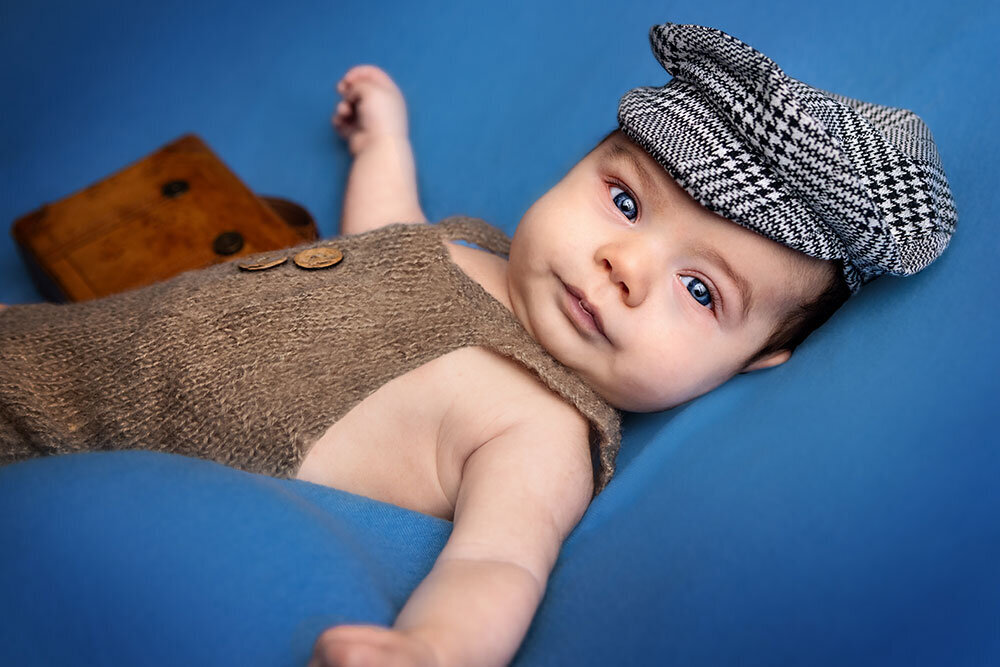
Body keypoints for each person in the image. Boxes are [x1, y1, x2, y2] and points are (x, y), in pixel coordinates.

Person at [0, 22, 956, 667]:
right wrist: (385, 143)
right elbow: (385, 239)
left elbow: (498, 564)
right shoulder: (476, 243)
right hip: (51, 348)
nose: (623, 261)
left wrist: (429, 651)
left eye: (700, 290)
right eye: (623, 200)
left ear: (754, 358)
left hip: (58, 446)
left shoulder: (539, 424)